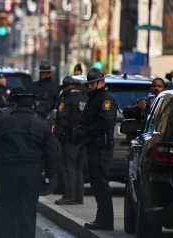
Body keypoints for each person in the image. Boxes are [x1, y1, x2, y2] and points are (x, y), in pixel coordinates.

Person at [0, 93, 57, 238]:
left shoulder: (3, 121)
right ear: (33, 106)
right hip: (31, 173)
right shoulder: (41, 124)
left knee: (4, 210)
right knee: (27, 213)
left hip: (6, 173)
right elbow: (50, 153)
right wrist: (49, 175)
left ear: (15, 105)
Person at [74, 68, 116, 230]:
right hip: (92, 146)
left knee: (100, 183)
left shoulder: (105, 100)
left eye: (92, 84)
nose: (90, 87)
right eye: (89, 84)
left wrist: (87, 130)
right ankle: (102, 217)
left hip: (100, 147)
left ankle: (105, 219)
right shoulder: (93, 99)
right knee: (96, 182)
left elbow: (106, 122)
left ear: (101, 82)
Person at [54, 76, 87, 205]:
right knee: (79, 167)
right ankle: (79, 197)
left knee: (68, 166)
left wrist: (58, 135)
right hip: (82, 137)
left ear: (66, 87)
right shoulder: (85, 99)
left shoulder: (66, 100)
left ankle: (69, 195)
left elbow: (61, 119)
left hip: (70, 138)